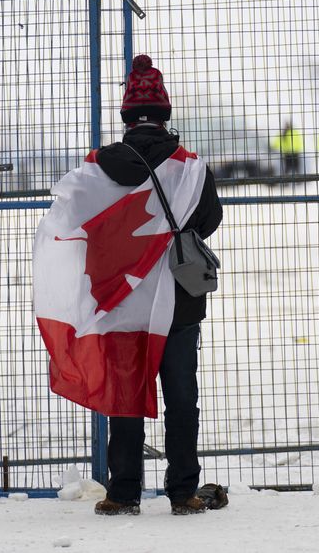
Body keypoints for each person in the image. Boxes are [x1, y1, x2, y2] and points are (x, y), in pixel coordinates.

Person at [91, 54, 222, 516]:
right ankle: (184, 491)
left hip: (125, 301)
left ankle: (122, 492)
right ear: (165, 115)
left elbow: (83, 226)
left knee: (124, 395)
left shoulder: (100, 167)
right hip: (180, 304)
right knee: (181, 397)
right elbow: (208, 221)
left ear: (126, 117)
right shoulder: (190, 168)